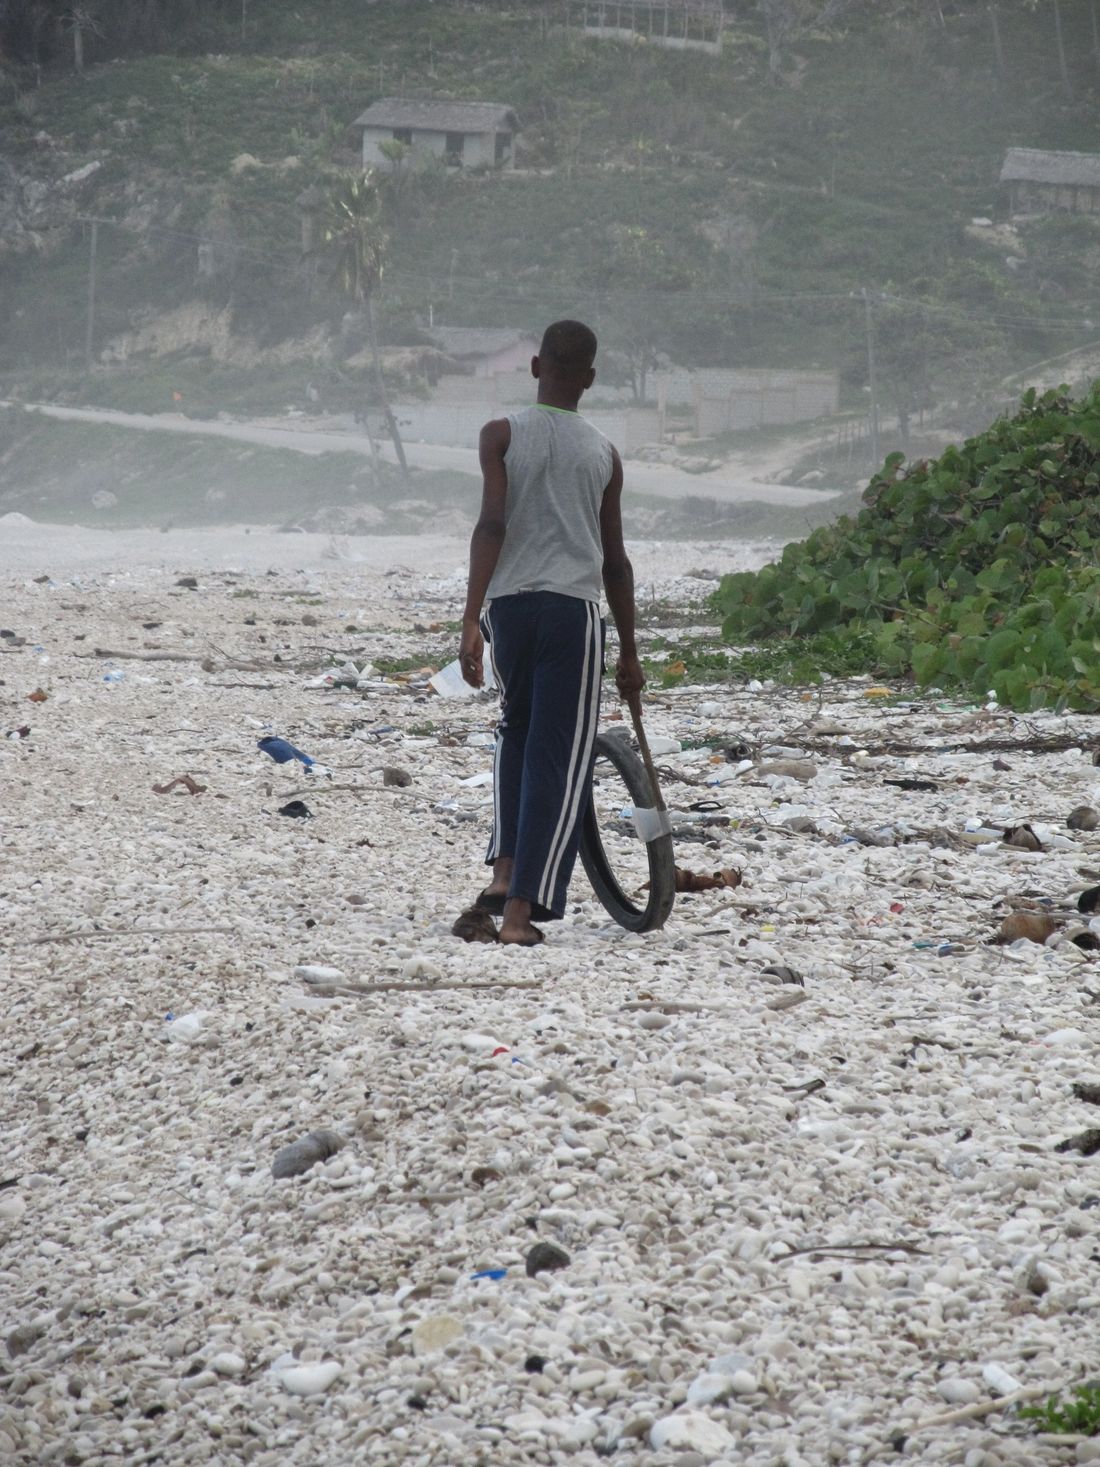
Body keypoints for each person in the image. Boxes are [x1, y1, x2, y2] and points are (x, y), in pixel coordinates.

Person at [458, 319, 644, 946]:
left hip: (509, 610)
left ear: (537, 367)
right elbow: (615, 562)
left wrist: (469, 621)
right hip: (572, 612)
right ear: (589, 379)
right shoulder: (604, 455)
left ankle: (503, 872)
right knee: (558, 758)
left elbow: (490, 527)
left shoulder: (500, 435)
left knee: (516, 732)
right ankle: (519, 912)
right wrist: (629, 650)